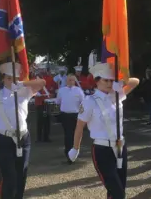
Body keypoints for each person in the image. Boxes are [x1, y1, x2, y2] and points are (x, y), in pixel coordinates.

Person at [68, 63, 139, 199]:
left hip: (120, 146)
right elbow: (79, 127)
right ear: (97, 81)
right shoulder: (89, 101)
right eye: (106, 80)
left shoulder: (117, 95)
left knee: (119, 188)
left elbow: (136, 81)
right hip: (102, 149)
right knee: (117, 192)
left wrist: (122, 82)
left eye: (111, 80)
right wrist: (75, 148)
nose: (109, 83)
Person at [0, 62, 45, 199]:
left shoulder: (25, 91)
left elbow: (42, 82)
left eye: (15, 78)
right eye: (9, 78)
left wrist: (23, 84)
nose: (12, 81)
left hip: (23, 138)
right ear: (3, 79)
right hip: (4, 140)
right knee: (9, 177)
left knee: (21, 174)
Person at [56, 74, 85, 163]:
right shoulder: (61, 90)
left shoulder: (79, 90)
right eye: (69, 80)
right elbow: (58, 101)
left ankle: (74, 151)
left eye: (72, 80)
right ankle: (68, 153)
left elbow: (83, 102)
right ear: (66, 81)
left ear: (75, 81)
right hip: (65, 115)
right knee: (68, 134)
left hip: (76, 115)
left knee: (75, 134)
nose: (71, 81)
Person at [34, 69, 57, 142]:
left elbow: (54, 89)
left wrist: (52, 94)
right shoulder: (36, 80)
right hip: (40, 103)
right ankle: (39, 138)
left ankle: (45, 137)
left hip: (47, 102)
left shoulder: (50, 79)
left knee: (47, 121)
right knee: (40, 121)